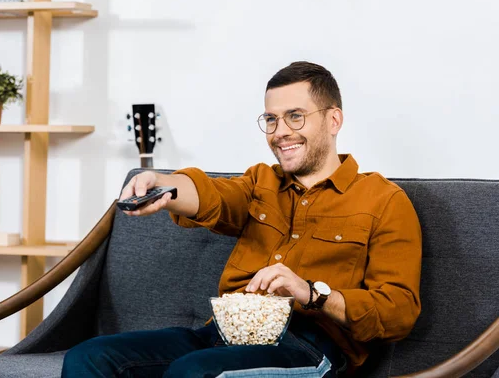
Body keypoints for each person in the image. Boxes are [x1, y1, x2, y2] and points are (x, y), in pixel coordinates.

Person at [62, 61, 422, 377]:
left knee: (193, 372)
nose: (280, 131)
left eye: (295, 116)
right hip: (224, 333)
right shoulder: (260, 183)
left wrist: (310, 292)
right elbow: (213, 196)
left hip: (312, 346)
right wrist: (164, 185)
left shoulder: (384, 201)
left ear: (333, 119)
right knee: (91, 356)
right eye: (271, 119)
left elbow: (398, 312)